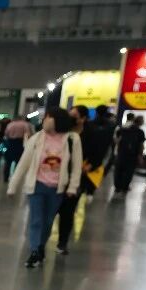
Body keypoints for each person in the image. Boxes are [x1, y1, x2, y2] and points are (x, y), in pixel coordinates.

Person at [8, 107, 82, 268]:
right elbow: (23, 163)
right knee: (36, 220)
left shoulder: (72, 139)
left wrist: (73, 187)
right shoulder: (37, 138)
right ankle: (34, 251)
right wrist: (12, 186)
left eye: (48, 117)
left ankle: (41, 246)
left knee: (48, 221)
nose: (45, 120)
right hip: (36, 186)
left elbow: (77, 165)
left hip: (57, 188)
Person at [52, 105, 97, 256]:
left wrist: (89, 166)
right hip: (56, 177)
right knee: (51, 210)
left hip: (77, 178)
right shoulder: (62, 131)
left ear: (83, 118)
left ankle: (62, 242)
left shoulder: (90, 134)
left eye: (74, 116)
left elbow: (97, 153)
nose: (70, 118)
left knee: (68, 211)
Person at [113, 116, 145, 195]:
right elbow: (141, 145)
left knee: (119, 170)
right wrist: (140, 156)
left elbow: (116, 139)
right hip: (132, 155)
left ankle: (117, 187)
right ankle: (125, 187)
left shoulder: (124, 129)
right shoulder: (140, 132)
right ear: (141, 123)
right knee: (129, 171)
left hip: (122, 153)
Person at [1, 114, 31, 184]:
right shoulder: (24, 124)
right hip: (19, 144)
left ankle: (5, 177)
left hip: (10, 143)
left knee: (8, 162)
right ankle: (15, 177)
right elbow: (28, 134)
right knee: (18, 162)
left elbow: (6, 134)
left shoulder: (10, 125)